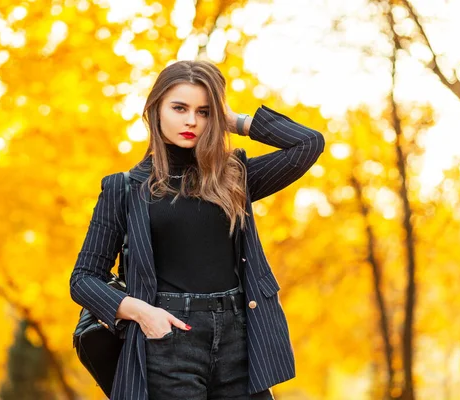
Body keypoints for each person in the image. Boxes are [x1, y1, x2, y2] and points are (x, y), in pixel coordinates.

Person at [70, 60, 325, 400]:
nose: (191, 120)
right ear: (155, 109)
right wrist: (143, 313)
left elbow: (308, 145)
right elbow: (84, 278)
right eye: (179, 108)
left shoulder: (233, 179)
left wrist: (234, 120)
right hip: (167, 343)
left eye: (204, 112)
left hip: (239, 342)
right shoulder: (125, 190)